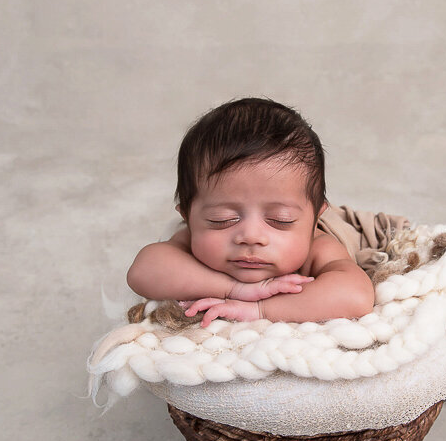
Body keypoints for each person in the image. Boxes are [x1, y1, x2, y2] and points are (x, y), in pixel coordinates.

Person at [126, 97, 375, 327]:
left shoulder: (318, 246)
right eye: (222, 220)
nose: (251, 236)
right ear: (187, 218)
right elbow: (142, 272)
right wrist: (234, 289)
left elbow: (355, 295)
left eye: (280, 220)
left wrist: (259, 309)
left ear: (314, 220)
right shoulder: (190, 239)